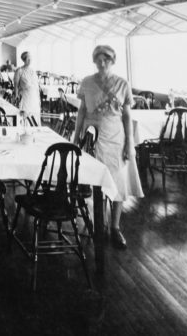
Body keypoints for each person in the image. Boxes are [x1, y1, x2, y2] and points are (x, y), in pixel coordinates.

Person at [73, 45, 143, 249]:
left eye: (106, 60)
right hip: (93, 137)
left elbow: (127, 115)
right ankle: (99, 225)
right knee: (97, 183)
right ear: (94, 60)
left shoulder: (123, 84)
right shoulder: (86, 82)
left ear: (113, 61)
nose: (102, 63)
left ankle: (115, 228)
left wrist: (130, 143)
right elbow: (82, 112)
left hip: (116, 137)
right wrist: (76, 138)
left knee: (118, 184)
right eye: (98, 60)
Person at [13, 51, 41, 126]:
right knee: (25, 118)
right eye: (28, 59)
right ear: (24, 60)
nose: (30, 60)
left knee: (35, 118)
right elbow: (15, 85)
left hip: (34, 99)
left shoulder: (33, 71)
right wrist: (16, 97)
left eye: (30, 58)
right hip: (25, 98)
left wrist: (39, 99)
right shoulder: (19, 71)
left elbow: (36, 86)